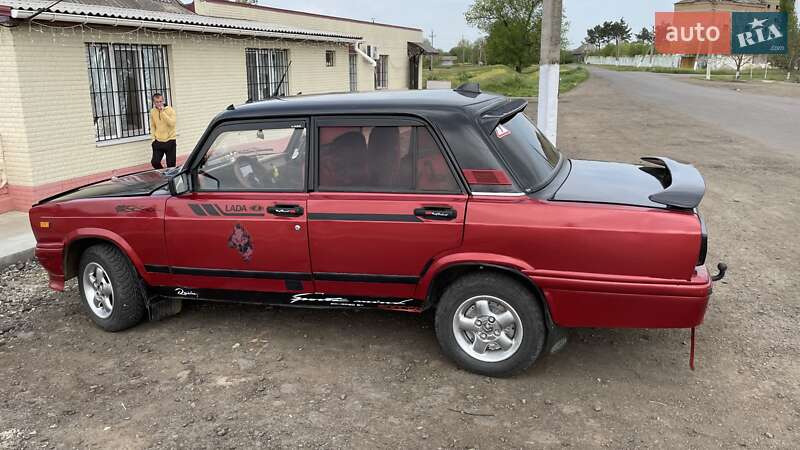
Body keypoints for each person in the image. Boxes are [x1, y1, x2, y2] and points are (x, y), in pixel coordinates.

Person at [149, 93, 177, 169]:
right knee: (155, 162)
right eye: (157, 102)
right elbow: (152, 126)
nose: (159, 103)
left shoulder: (170, 110)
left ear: (163, 101)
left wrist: (162, 112)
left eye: (160, 101)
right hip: (158, 142)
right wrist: (153, 139)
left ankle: (171, 179)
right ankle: (164, 175)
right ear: (154, 103)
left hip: (170, 140)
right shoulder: (152, 111)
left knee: (171, 165)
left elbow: (172, 124)